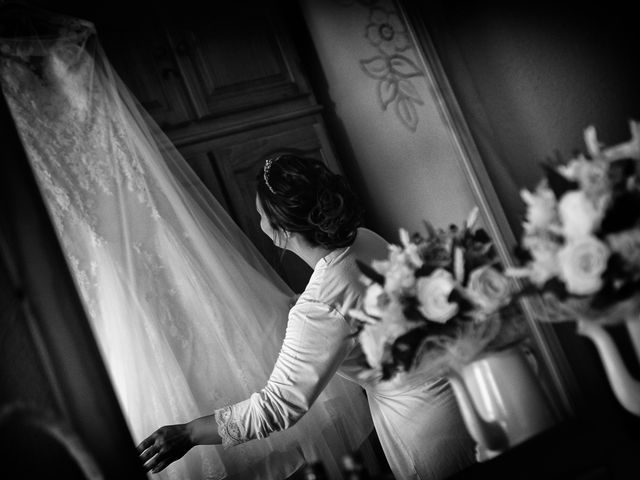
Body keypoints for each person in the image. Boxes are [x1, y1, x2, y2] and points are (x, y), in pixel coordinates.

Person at [139, 154, 477, 479]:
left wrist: (190, 432)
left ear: (280, 228)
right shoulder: (363, 238)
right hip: (465, 388)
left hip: (424, 426)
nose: (259, 223)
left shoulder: (319, 307)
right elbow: (360, 295)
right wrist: (302, 302)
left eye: (260, 215)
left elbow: (278, 407)